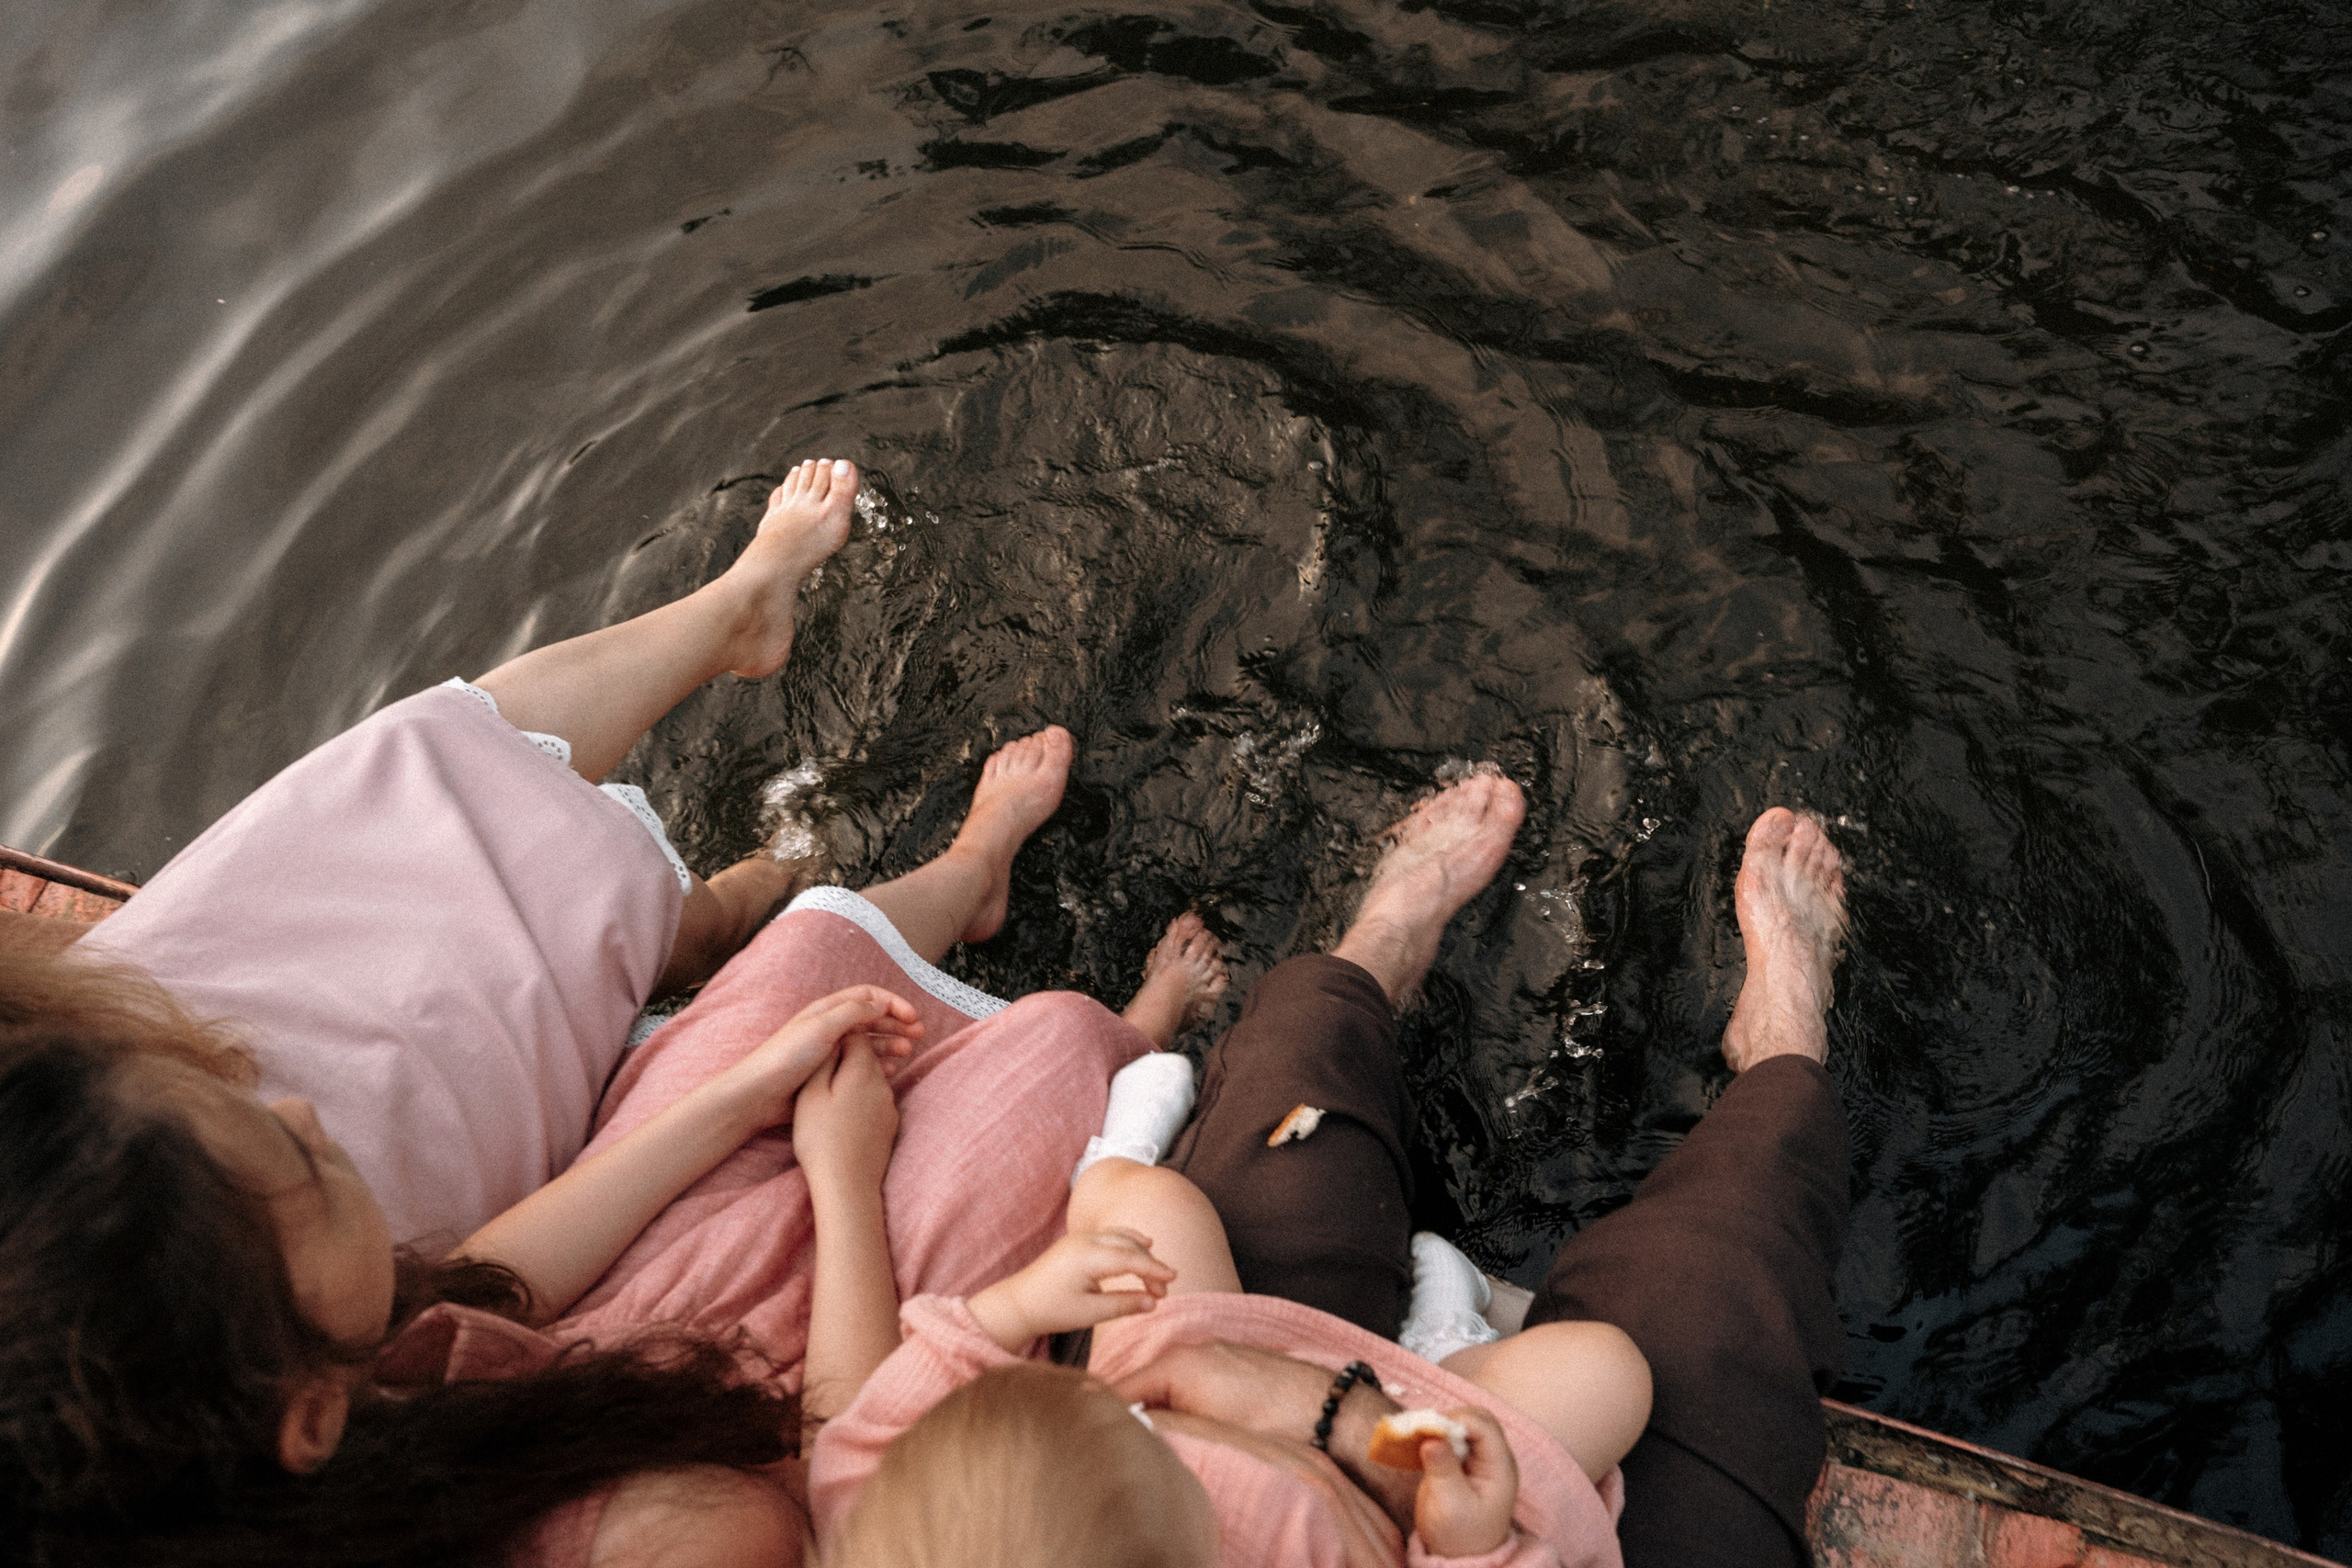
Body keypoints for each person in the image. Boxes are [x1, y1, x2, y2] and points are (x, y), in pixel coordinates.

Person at [803, 773, 1655, 1568]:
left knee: (1152, 1208)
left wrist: (1019, 1307)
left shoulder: (892, 1535)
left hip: (1178, 1355)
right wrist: (1466, 1544)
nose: (1184, 1441)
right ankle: (1440, 1342)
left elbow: (864, 1438)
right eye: (1170, 1464)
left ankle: (1111, 1168)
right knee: (1608, 1377)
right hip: (1392, 1500)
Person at [1103, 804, 1852, 1568]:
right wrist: (1354, 1434)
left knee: (1296, 1081)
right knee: (1720, 1277)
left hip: (1202, 1439)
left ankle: (1385, 942)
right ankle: (1782, 1048)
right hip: (1485, 1527)